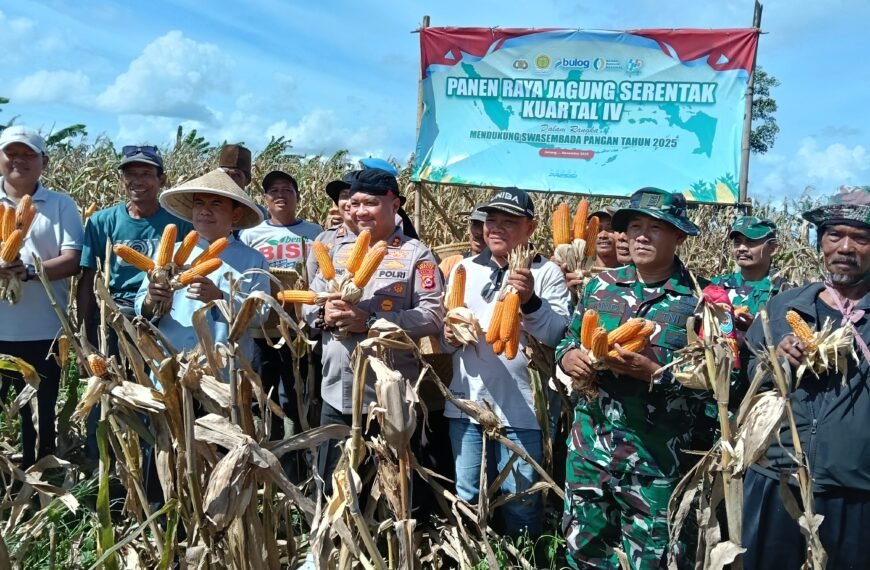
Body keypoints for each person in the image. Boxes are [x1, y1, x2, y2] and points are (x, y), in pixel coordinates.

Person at [557, 187, 713, 569]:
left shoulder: (701, 300)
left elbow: (718, 384)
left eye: (655, 227)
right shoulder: (600, 286)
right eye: (635, 226)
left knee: (655, 559)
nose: (641, 235)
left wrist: (657, 375)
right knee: (583, 551)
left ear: (679, 236)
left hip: (656, 458)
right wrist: (569, 358)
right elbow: (567, 339)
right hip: (590, 449)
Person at [741, 186, 870, 570]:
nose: (845, 247)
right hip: (778, 481)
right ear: (821, 243)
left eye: (861, 238)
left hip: (854, 491)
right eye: (834, 235)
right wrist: (774, 360)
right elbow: (749, 374)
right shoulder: (784, 305)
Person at [442, 187, 570, 537]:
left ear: (530, 227)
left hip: (524, 409)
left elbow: (558, 334)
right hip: (468, 402)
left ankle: (521, 556)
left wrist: (528, 300)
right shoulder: (463, 269)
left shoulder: (547, 274)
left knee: (521, 499)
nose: (495, 228)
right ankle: (471, 555)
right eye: (491, 220)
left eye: (508, 222)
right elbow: (446, 335)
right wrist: (449, 337)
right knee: (468, 494)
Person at [305, 168, 443, 492]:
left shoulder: (417, 256)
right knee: (333, 490)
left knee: (389, 493)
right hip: (336, 394)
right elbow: (308, 304)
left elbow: (432, 315)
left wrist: (369, 322)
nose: (359, 211)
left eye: (370, 203)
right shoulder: (337, 251)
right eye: (353, 203)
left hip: (387, 399)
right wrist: (324, 313)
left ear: (394, 205)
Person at [0, 126, 84, 468]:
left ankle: (41, 483)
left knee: (40, 416)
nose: (19, 160)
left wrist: (28, 272)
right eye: (11, 153)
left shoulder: (61, 204)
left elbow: (74, 259)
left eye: (28, 154)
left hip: (44, 334)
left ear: (44, 161)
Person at [136, 169, 269, 366]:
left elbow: (261, 316)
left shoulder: (253, 260)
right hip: (170, 361)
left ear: (236, 214)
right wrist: (150, 299)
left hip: (225, 369)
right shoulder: (169, 251)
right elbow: (141, 307)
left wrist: (220, 298)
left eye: (215, 204)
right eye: (199, 203)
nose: (204, 211)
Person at [78, 145, 192, 345]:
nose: (138, 181)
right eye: (130, 174)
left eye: (146, 174)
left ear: (162, 180)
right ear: (122, 180)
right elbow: (87, 279)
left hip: (165, 316)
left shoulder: (182, 224)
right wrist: (84, 337)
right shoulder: (100, 222)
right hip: (115, 315)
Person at [239, 170, 322, 439]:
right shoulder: (250, 235)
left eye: (287, 190)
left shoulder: (315, 233)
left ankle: (297, 448)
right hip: (261, 328)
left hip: (300, 330)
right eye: (273, 191)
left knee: (297, 394)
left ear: (298, 197)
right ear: (264, 199)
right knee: (261, 392)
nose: (280, 195)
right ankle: (264, 442)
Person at [711, 216, 790, 333]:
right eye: (737, 242)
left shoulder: (784, 292)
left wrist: (756, 328)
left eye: (751, 242)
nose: (742, 248)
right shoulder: (716, 287)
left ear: (773, 249)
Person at [438, 205, 486, 277]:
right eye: (476, 224)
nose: (479, 232)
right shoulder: (451, 263)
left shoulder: (500, 271)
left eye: (484, 226)